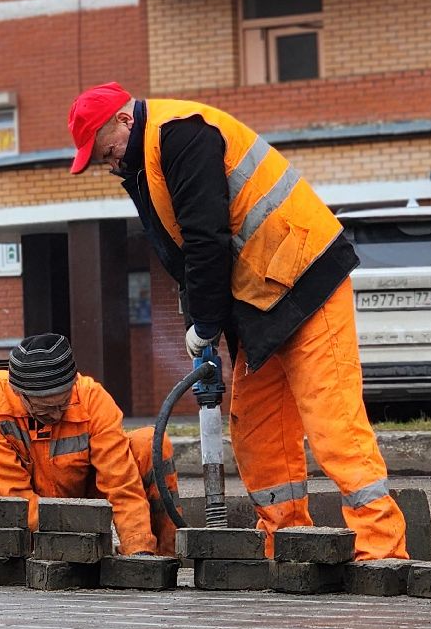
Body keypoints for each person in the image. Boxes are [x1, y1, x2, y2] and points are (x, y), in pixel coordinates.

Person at [65, 82, 408, 560]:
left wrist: (205, 325)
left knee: (333, 423)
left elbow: (206, 240)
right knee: (258, 432)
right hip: (262, 297)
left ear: (125, 120)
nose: (110, 164)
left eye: (107, 152)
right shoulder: (148, 159)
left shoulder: (181, 134)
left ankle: (382, 550)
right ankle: (287, 542)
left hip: (305, 278)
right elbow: (187, 255)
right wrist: (208, 323)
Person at [0, 334, 181, 557]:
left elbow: (121, 482)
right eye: (45, 409)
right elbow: (13, 492)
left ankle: (165, 558)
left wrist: (139, 551)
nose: (56, 415)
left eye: (63, 404)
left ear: (74, 383)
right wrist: (68, 540)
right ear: (18, 393)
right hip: (13, 514)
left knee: (150, 443)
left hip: (80, 505)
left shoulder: (92, 398)